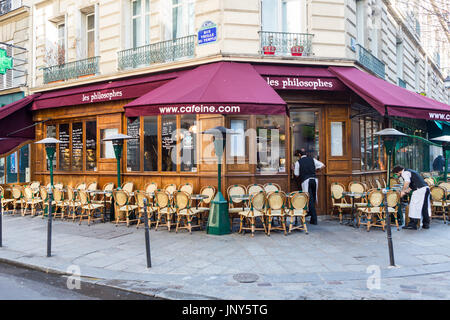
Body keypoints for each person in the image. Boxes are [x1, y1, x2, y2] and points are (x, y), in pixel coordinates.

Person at [392, 165, 431, 230]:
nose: (397, 175)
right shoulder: (410, 171)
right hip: (425, 189)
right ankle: (426, 224)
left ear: (398, 172)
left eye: (396, 174)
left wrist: (402, 191)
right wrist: (407, 190)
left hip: (420, 190)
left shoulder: (404, 173)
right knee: (424, 207)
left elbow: (407, 182)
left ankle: (413, 224)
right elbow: (413, 183)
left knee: (414, 206)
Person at [294, 148, 325, 225]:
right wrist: (315, 170)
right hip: (314, 180)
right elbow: (322, 165)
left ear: (299, 155)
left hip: (306, 181)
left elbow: (296, 174)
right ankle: (310, 214)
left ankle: (314, 219)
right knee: (313, 198)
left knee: (309, 199)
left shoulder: (298, 162)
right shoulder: (312, 159)